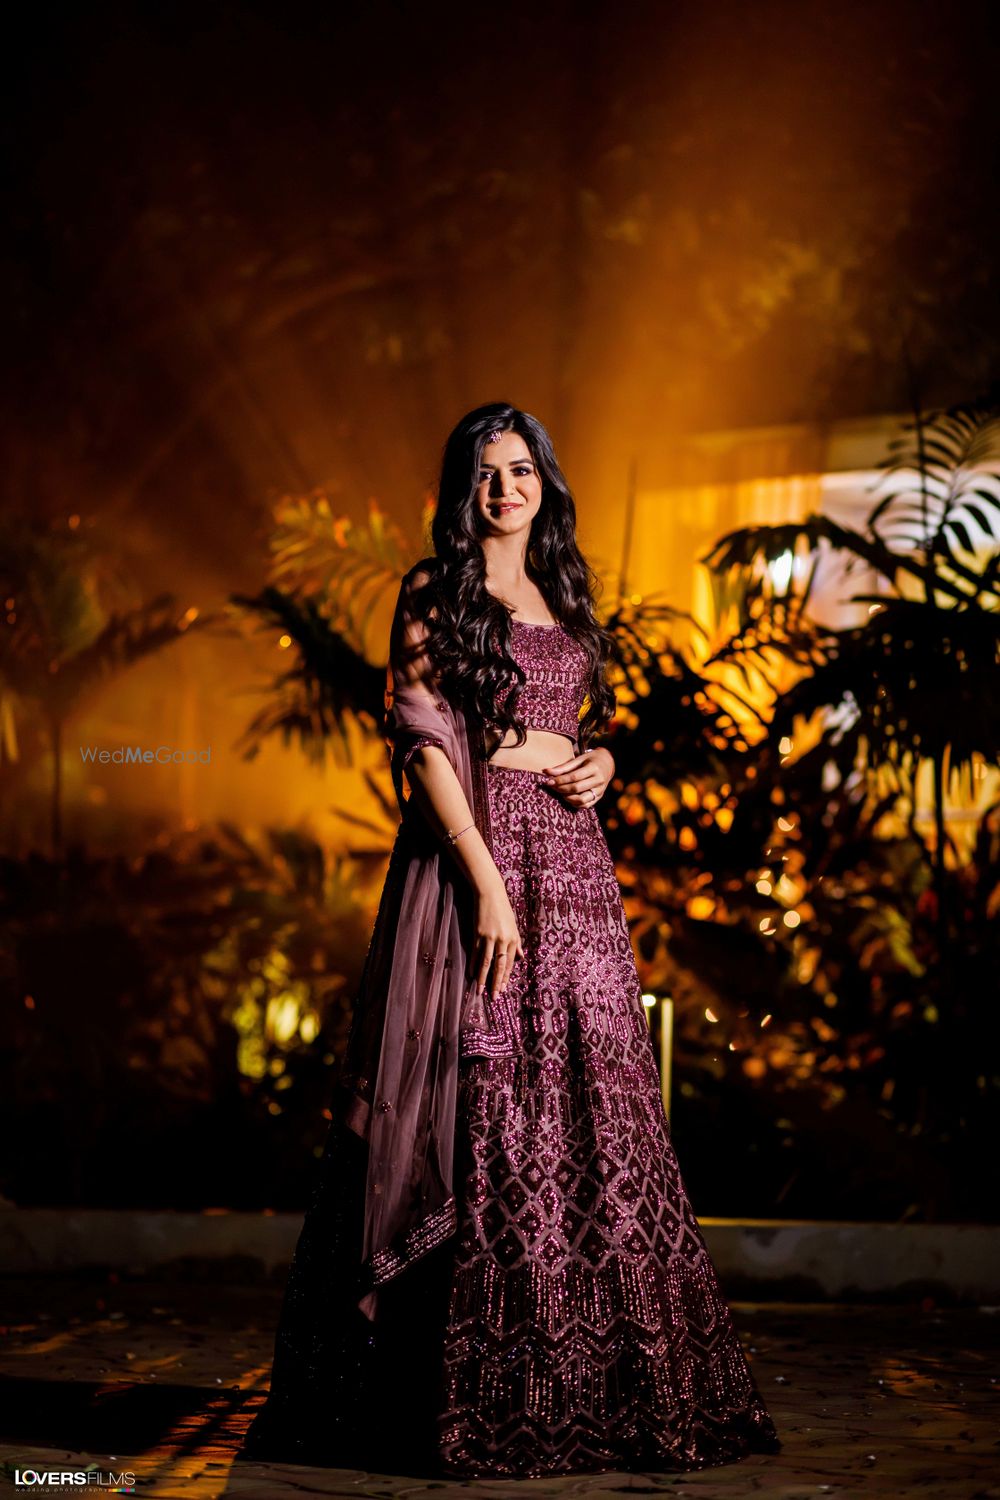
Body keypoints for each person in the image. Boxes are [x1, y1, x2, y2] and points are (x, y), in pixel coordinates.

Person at [240, 401, 781, 1479]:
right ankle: (437, 1394)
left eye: (521, 469)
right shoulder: (435, 592)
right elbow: (425, 739)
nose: (505, 489)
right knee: (474, 1095)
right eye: (486, 472)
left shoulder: (568, 594)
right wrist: (483, 880)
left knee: (589, 1104)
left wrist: (604, 766)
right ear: (462, 487)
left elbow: (581, 728)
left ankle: (598, 1386)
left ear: (545, 481)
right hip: (474, 864)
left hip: (575, 877)